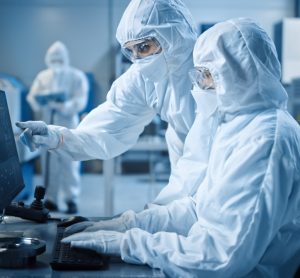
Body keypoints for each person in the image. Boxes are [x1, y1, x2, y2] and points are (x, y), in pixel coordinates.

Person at [61, 18, 300, 277]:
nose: (201, 86)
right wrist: (129, 224)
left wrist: (129, 244)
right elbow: (200, 209)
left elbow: (220, 257)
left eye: (207, 75)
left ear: (239, 73)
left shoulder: (264, 141)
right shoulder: (237, 125)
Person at [17, 0, 197, 207]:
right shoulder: (142, 78)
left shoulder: (216, 71)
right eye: (131, 51)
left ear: (174, 35)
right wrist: (56, 136)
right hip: (186, 189)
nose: (138, 59)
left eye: (144, 47)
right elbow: (109, 128)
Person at [26, 41, 89, 213]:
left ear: (65, 58)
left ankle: (71, 199)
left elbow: (80, 100)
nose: (56, 62)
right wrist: (43, 102)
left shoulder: (76, 76)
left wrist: (64, 106)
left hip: (69, 124)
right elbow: (32, 97)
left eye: (59, 59)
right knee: (49, 164)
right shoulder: (43, 76)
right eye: (53, 59)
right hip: (47, 124)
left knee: (70, 162)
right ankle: (51, 199)